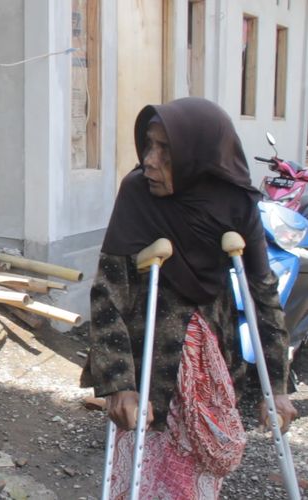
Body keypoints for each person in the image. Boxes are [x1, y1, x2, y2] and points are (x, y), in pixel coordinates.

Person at [80, 97, 298, 499]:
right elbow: (108, 291)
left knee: (194, 478)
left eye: (165, 149)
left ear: (197, 155)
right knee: (142, 477)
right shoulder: (136, 193)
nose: (149, 159)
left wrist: (278, 387)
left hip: (211, 359)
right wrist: (118, 383)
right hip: (149, 363)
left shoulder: (236, 203)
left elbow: (262, 294)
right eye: (148, 144)